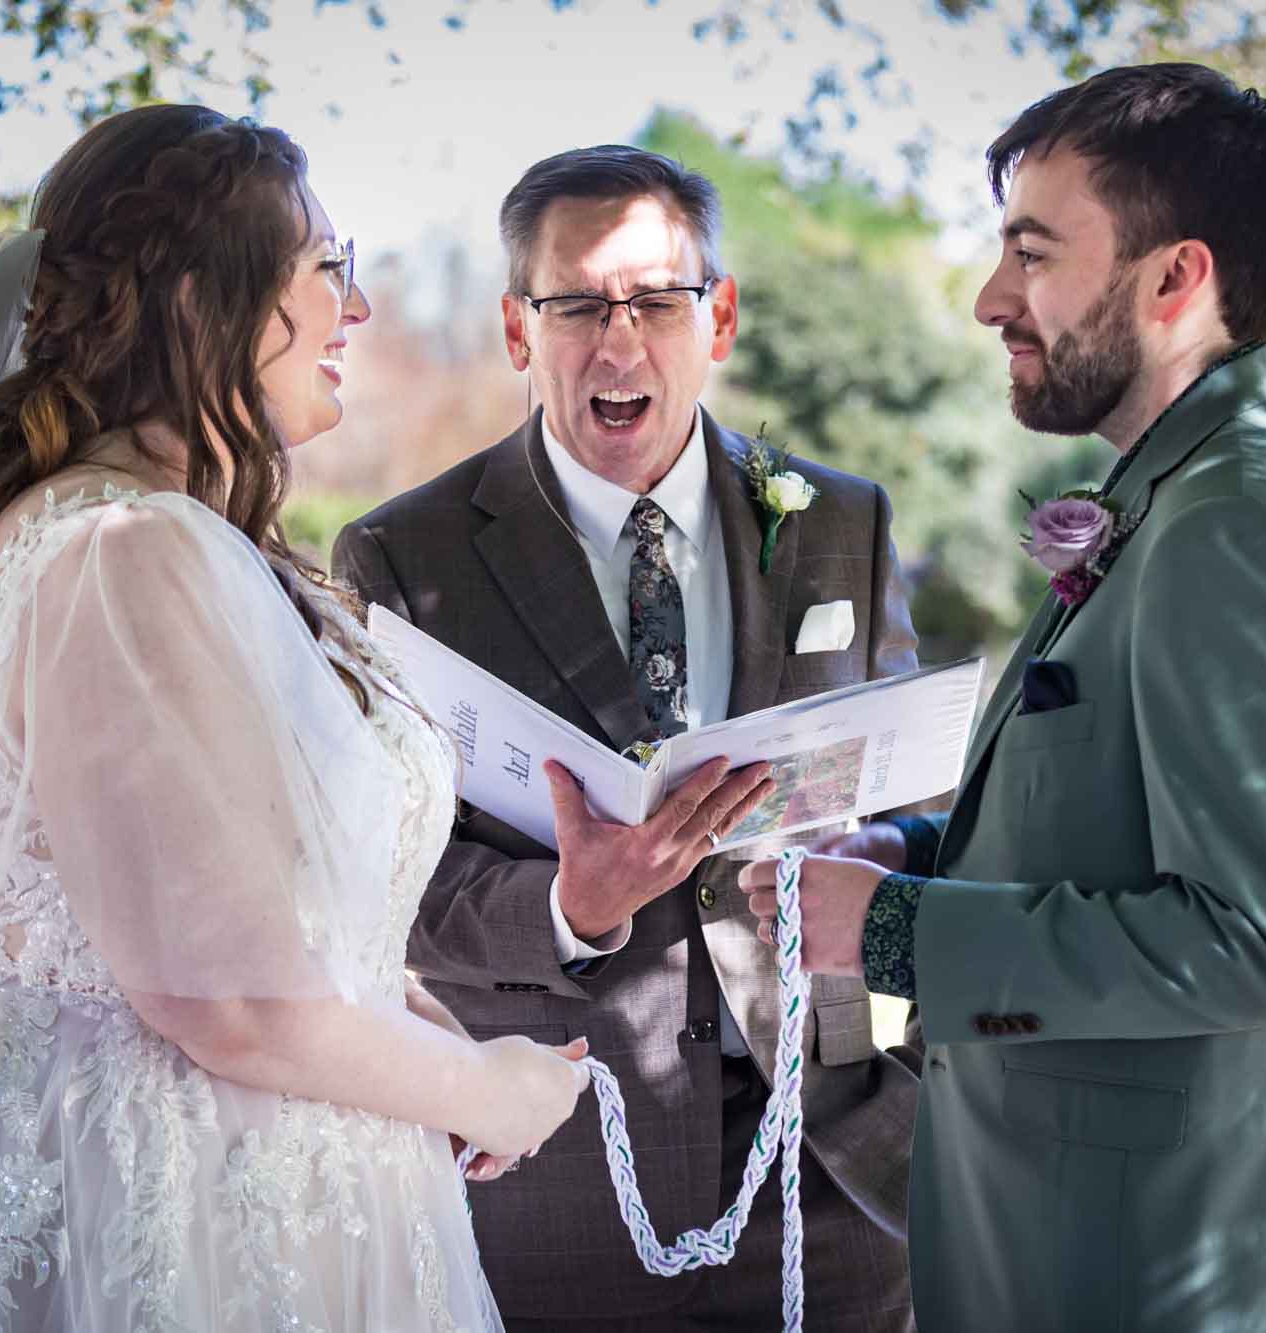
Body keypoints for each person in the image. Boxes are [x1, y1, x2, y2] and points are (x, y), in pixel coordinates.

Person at [0, 105, 588, 1333]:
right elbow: (222, 1004)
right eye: (327, 268)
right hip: (155, 1210)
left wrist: (401, 1023)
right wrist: (487, 1089)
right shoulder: (129, 551)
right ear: (200, 302)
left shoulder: (133, 536)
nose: (360, 307)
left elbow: (215, 907)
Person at [742, 63, 1266, 1331]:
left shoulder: (1236, 513)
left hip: (1165, 1259)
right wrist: (914, 857)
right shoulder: (1188, 480)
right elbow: (1125, 830)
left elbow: (1251, 939)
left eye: (1032, 253)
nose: (992, 297)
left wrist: (895, 934)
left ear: (1175, 280)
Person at [334, 145, 923, 1332]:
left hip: (830, 1165)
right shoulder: (403, 558)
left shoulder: (839, 522)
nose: (619, 342)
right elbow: (378, 879)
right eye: (576, 305)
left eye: (657, 299)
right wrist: (571, 906)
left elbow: (901, 781)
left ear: (720, 316)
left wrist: (889, 847)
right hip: (558, 1175)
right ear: (516, 329)